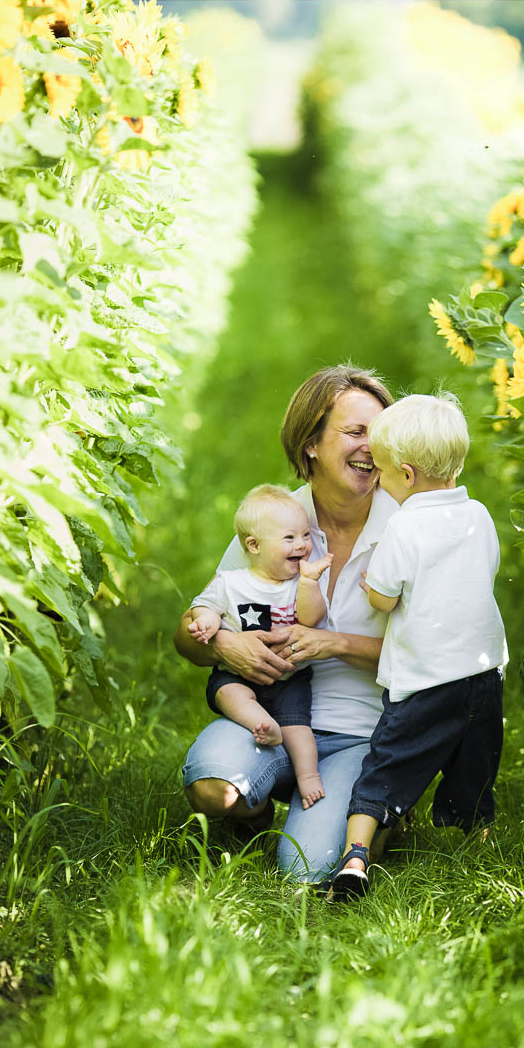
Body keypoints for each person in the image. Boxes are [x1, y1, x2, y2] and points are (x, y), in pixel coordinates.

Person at [176, 365, 402, 884]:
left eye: (381, 433)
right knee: (213, 785)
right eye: (355, 432)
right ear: (310, 446)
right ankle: (253, 812)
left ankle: (386, 802)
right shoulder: (276, 521)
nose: (372, 447)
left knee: (306, 869)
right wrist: (225, 645)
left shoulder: (406, 528)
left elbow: (437, 658)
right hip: (271, 718)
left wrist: (333, 643)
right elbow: (187, 636)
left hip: (362, 731)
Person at [328, 393, 508, 900]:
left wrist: (370, 584)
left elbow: (384, 599)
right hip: (483, 671)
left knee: (389, 762)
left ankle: (355, 858)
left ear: (405, 475)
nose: (378, 481)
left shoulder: (403, 526)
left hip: (425, 678)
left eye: (382, 473)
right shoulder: (479, 515)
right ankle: (478, 846)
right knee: (476, 761)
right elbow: (483, 574)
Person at [186, 485, 334, 807]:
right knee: (229, 693)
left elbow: (312, 618)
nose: (302, 545)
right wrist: (208, 623)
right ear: (253, 545)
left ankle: (308, 776)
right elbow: (204, 605)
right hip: (237, 675)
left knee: (299, 729)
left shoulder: (300, 584)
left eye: (306, 536)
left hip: (289, 679)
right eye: (289, 538)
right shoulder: (232, 582)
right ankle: (260, 725)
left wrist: (309, 583)